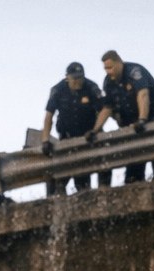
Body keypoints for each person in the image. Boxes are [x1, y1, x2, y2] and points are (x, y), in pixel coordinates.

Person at [93, 50, 154, 184]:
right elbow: (107, 108)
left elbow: (143, 94)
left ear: (119, 63)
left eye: (110, 67)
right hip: (135, 123)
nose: (108, 71)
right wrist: (96, 129)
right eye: (105, 68)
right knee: (134, 165)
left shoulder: (134, 71)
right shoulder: (108, 82)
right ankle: (134, 183)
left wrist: (142, 119)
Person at [42, 61, 105, 194]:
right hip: (66, 139)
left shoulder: (91, 87)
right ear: (67, 77)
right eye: (74, 79)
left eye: (80, 78)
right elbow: (49, 116)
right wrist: (45, 139)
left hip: (86, 139)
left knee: (82, 182)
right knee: (59, 179)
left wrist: (96, 130)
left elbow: (103, 111)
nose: (78, 82)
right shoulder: (58, 89)